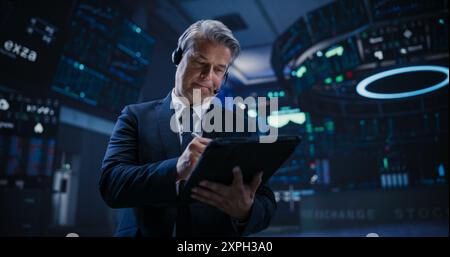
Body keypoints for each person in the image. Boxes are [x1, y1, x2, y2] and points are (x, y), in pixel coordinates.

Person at [99, 20, 276, 237]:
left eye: (219, 70)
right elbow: (111, 184)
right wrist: (175, 168)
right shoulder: (134, 117)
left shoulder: (242, 126)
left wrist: (246, 211)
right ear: (178, 58)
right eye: (199, 62)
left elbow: (266, 202)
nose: (207, 76)